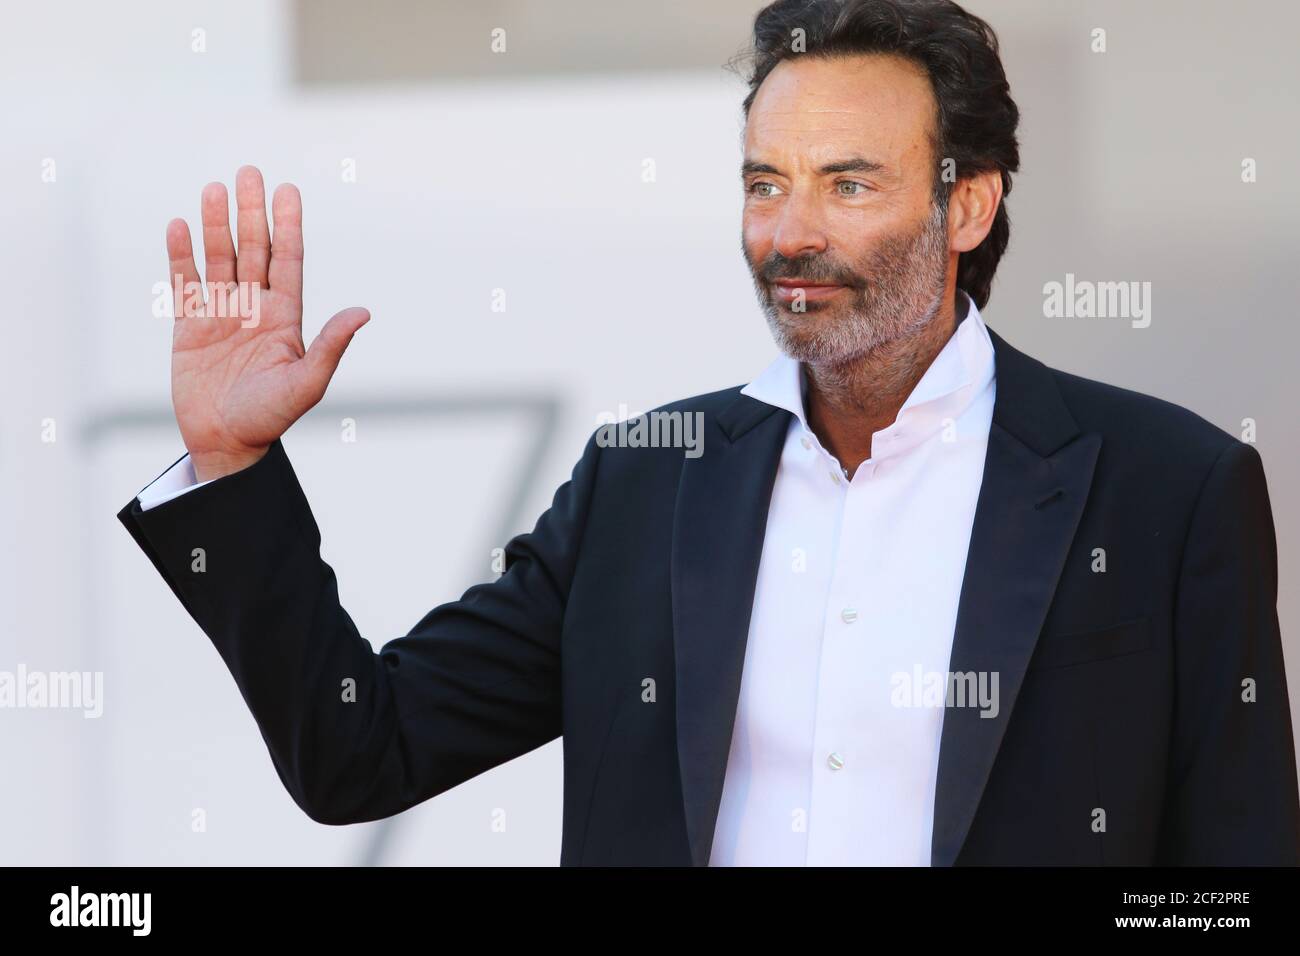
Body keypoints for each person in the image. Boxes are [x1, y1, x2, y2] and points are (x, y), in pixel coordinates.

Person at [118, 0, 1299, 865]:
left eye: (846, 184)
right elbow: (357, 752)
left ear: (968, 203)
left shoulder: (1168, 489)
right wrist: (231, 465)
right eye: (762, 183)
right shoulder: (645, 483)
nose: (789, 233)